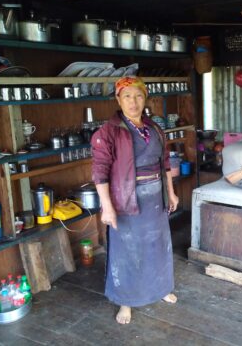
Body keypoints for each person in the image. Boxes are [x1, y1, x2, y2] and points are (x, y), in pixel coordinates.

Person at [91, 76, 178, 325]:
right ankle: (125, 301)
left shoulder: (154, 128)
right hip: (126, 200)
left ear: (145, 99)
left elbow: (165, 163)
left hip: (155, 198)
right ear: (118, 99)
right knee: (127, 251)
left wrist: (170, 192)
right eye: (127, 96)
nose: (133, 101)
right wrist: (107, 206)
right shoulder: (108, 132)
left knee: (158, 246)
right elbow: (100, 171)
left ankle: (161, 289)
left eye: (139, 96)